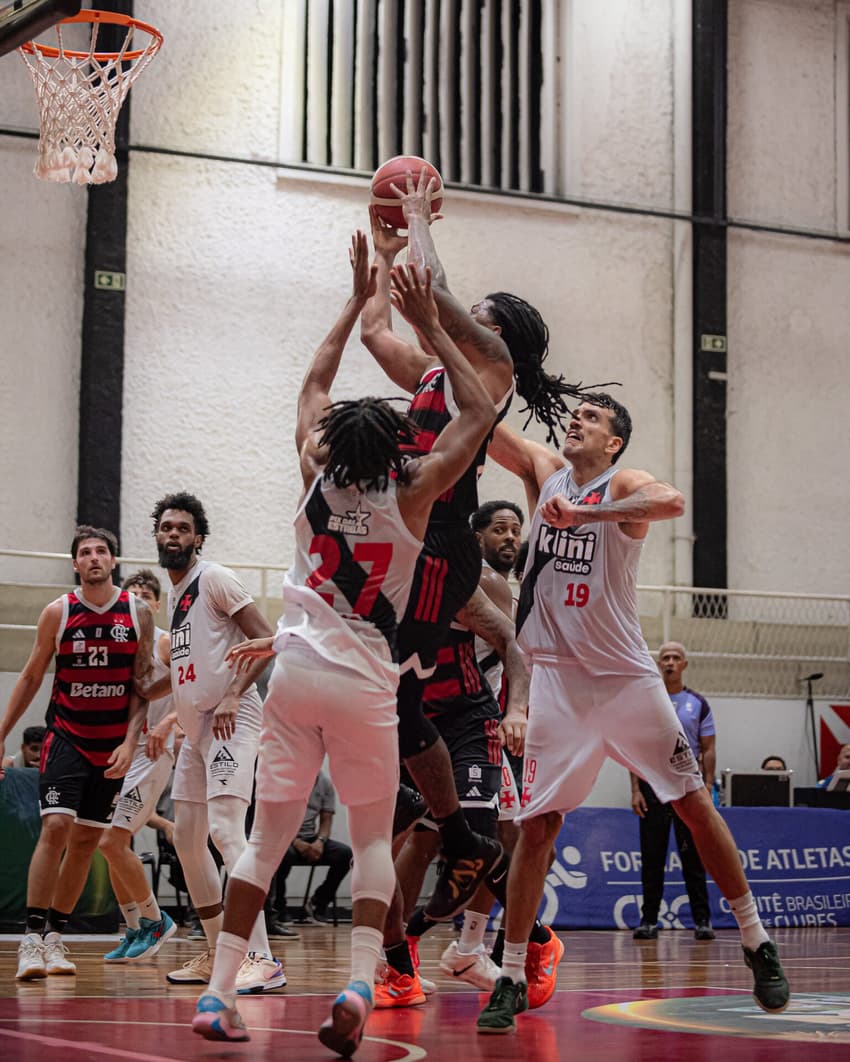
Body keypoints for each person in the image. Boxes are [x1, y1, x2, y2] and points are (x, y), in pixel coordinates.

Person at [191, 234, 497, 1054]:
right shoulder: (418, 489)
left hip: (291, 675)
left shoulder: (312, 472)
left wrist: (351, 299)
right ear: (394, 448)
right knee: (368, 839)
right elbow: (477, 413)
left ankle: (219, 996)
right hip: (366, 682)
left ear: (333, 446)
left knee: (263, 839)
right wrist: (430, 327)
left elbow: (314, 383)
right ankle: (363, 983)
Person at [475, 394, 790, 1033]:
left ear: (615, 441)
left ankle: (756, 940)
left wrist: (593, 511)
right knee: (538, 829)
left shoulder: (621, 483)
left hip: (624, 681)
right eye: (577, 413)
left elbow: (670, 502)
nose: (577, 420)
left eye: (593, 418)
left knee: (694, 805)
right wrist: (447, 343)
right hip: (560, 687)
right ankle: (508, 974)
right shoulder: (543, 473)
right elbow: (480, 422)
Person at [361, 172, 591, 919]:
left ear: (499, 333)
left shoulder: (491, 367)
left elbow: (439, 299)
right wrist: (378, 265)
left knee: (391, 679)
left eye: (481, 313)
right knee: (384, 679)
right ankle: (448, 823)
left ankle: (453, 826)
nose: (469, 315)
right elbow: (378, 331)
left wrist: (421, 226)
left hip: (443, 545)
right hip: (404, 541)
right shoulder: (433, 370)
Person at [0, 526, 153, 981]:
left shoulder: (137, 611)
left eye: (101, 551)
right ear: (75, 564)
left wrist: (131, 741)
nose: (93, 558)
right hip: (66, 738)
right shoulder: (59, 612)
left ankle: (54, 937)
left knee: (86, 843)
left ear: (113, 561)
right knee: (57, 828)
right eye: (85, 552)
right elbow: (30, 676)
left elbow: (142, 686)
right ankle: (30, 939)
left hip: (113, 746)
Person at [146, 491, 283, 994]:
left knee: (227, 831)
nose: (173, 534)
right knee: (185, 838)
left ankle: (261, 957)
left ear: (198, 537)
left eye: (182, 527)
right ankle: (215, 948)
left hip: (233, 717)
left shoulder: (215, 578)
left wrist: (232, 694)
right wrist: (163, 715)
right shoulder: (178, 594)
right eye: (166, 527)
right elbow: (190, 671)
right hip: (197, 730)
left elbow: (267, 639)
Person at [99, 569, 178, 963]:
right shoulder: (121, 644)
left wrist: (171, 721)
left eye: (147, 596)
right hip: (122, 752)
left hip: (152, 752)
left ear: (158, 604)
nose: (141, 603)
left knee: (111, 841)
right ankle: (133, 928)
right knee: (112, 845)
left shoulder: (165, 642)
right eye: (133, 597)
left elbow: (194, 687)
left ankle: (156, 919)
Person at [630, 641, 716, 942]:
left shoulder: (698, 703)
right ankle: (649, 921)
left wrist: (707, 786)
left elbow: (708, 748)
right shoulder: (647, 703)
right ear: (658, 664)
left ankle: (702, 921)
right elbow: (635, 748)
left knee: (693, 858)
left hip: (687, 787)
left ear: (684, 664)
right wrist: (636, 790)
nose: (669, 662)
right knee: (652, 859)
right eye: (665, 657)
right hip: (653, 788)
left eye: (675, 657)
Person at [269, 771, 352, 926]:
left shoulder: (324, 782)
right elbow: (274, 819)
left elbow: (326, 821)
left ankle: (317, 903)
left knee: (345, 854)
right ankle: (279, 907)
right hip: (286, 838)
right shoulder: (284, 779)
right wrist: (295, 841)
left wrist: (320, 841)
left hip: (311, 838)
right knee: (281, 855)